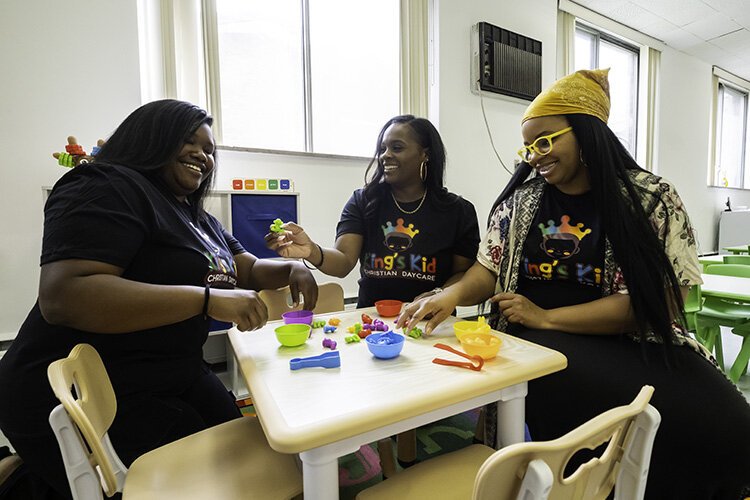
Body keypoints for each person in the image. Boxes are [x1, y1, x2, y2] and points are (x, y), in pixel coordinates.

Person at [397, 69, 750, 498]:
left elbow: (663, 303)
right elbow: (487, 269)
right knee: (579, 407)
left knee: (729, 427)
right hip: (531, 341)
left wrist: (547, 317)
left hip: (633, 339)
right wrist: (448, 295)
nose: (535, 155)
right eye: (528, 146)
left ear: (587, 132)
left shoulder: (650, 199)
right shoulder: (520, 201)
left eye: (545, 140)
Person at [0, 99, 318, 499]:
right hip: (89, 390)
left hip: (170, 373)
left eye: (209, 150)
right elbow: (65, 295)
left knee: (266, 449)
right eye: (190, 142)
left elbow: (247, 268)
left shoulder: (197, 217)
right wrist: (207, 300)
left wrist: (293, 268)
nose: (203, 156)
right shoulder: (105, 185)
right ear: (151, 137)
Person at [266, 114, 481, 470]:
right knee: (382, 408)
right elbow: (343, 260)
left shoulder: (457, 210)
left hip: (429, 325)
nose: (385, 156)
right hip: (373, 324)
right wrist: (310, 252)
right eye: (382, 148)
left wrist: (440, 293)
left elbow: (464, 273)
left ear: (425, 153)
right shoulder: (364, 201)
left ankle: (410, 452)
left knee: (421, 408)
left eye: (397, 147)